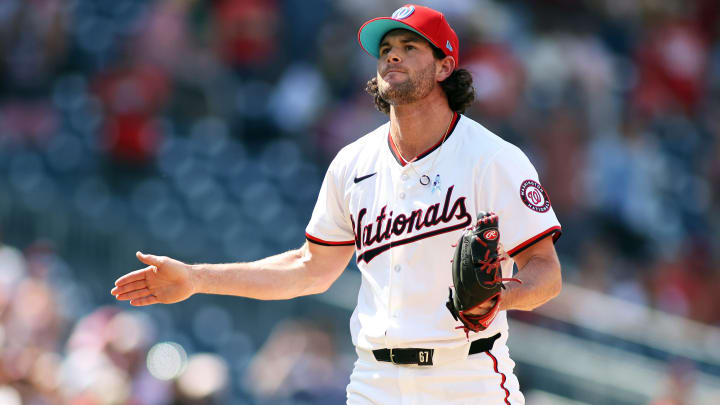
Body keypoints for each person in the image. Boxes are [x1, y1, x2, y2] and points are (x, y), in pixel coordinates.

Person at [111, 4, 562, 404]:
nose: (392, 55)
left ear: (445, 66)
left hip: (465, 379)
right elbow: (309, 268)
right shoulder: (353, 163)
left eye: (409, 46)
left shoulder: (492, 159)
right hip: (375, 380)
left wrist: (500, 296)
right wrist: (195, 278)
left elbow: (546, 271)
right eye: (385, 48)